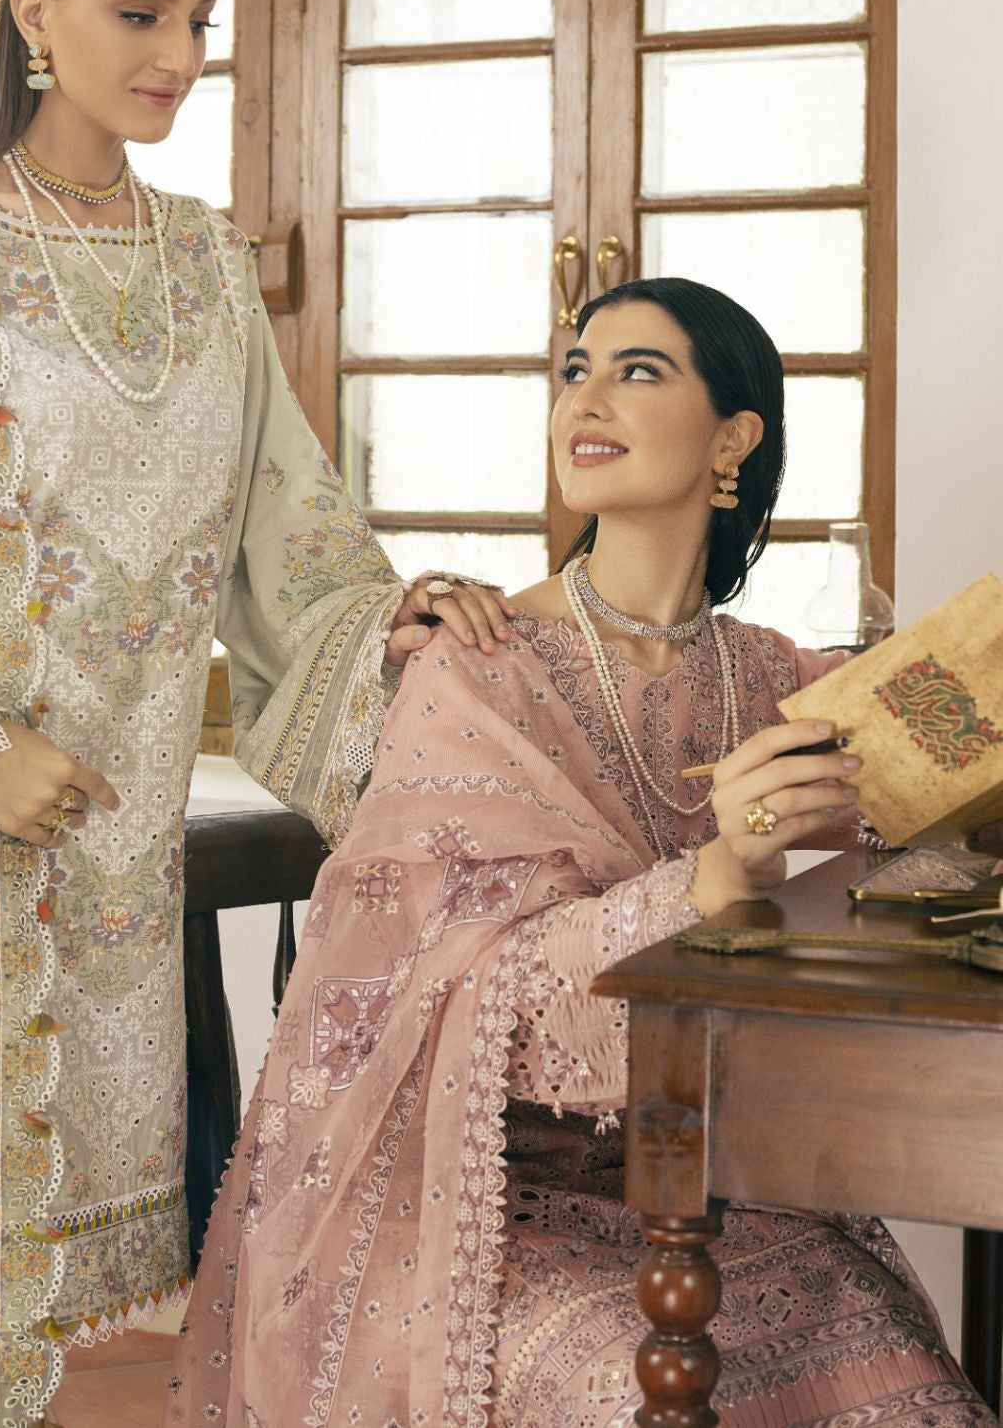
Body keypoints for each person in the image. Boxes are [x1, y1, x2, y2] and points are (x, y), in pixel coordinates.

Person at [0, 0, 511, 1428]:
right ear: (32, 12)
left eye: (201, 20)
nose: (179, 54)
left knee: (119, 1341)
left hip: (122, 899)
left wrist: (388, 628)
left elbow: (295, 547)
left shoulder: (205, 264)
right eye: (141, 12)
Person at [168, 277, 989, 1427]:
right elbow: (466, 998)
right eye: (573, 371)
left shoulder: (773, 677)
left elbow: (921, 839)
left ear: (734, 438)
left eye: (636, 371)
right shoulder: (478, 667)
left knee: (900, 1369)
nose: (584, 401)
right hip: (475, 1197)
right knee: (623, 1377)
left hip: (711, 1173)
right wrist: (718, 874)